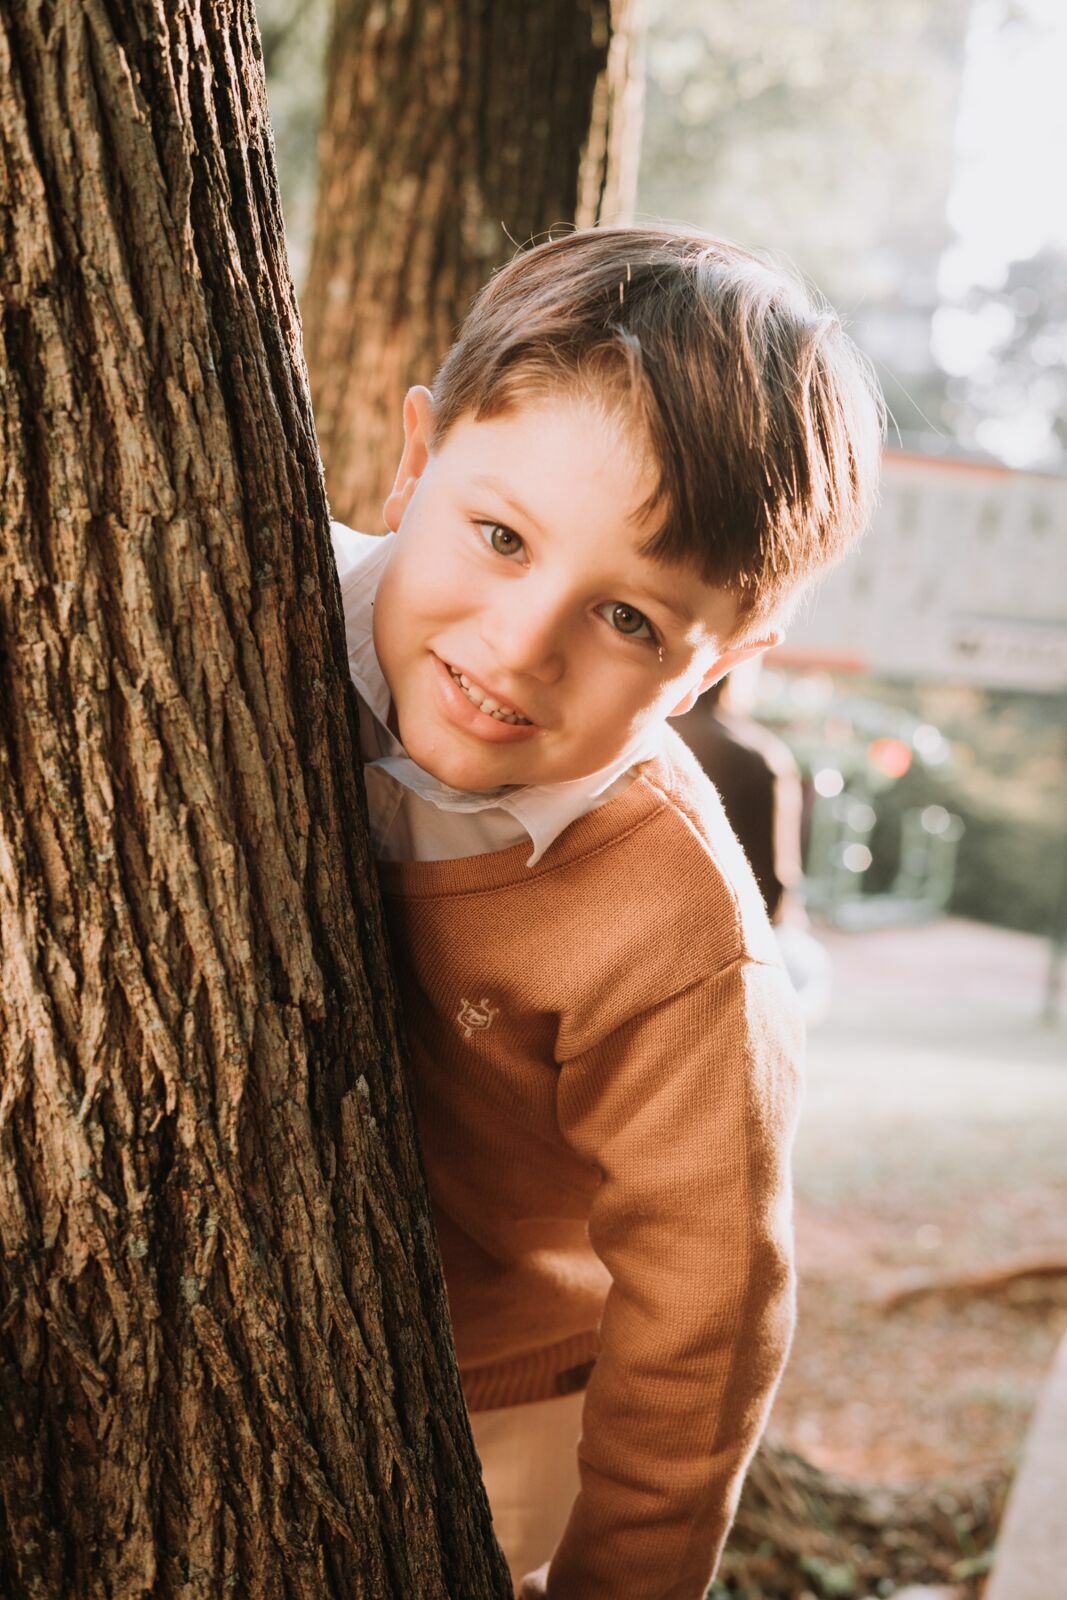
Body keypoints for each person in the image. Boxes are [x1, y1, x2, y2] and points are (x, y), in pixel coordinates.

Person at [328, 225, 882, 1599]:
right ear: (416, 459)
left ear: (722, 667)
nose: (520, 644)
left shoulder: (673, 925)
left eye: (629, 620)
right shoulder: (221, 598)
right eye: (500, 536)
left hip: (497, 1398)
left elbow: (707, 1311)